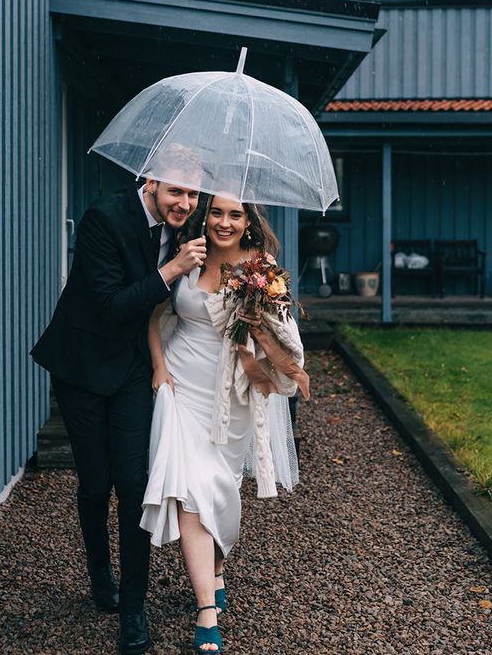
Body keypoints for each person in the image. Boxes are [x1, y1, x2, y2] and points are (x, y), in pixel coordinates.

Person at [31, 145, 207, 655]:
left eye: (192, 193)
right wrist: (172, 268)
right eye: (176, 190)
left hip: (133, 366)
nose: (185, 202)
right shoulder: (103, 218)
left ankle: (134, 610)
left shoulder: (188, 231)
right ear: (149, 182)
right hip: (83, 365)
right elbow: (110, 306)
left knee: (134, 485)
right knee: (95, 483)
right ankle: (98, 572)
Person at [140, 194, 308, 653]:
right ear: (205, 216)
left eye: (235, 214)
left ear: (249, 221)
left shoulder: (261, 269)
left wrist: (258, 331)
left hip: (230, 399)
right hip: (180, 391)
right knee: (190, 495)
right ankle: (206, 611)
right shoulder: (186, 252)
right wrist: (159, 368)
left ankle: (215, 568)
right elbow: (155, 314)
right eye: (216, 212)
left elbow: (286, 337)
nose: (224, 222)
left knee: (221, 490)